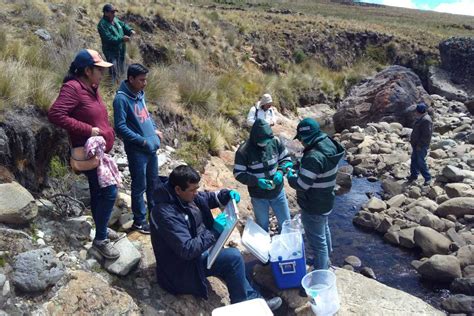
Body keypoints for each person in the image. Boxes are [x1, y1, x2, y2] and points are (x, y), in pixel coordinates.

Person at [150, 165, 282, 311]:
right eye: (192, 190)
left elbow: (207, 198)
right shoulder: (165, 213)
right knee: (233, 257)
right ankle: (246, 304)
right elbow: (186, 250)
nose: (196, 193)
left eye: (196, 188)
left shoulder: (184, 196)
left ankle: (252, 295)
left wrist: (226, 195)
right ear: (178, 190)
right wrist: (214, 232)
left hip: (197, 254)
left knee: (232, 260)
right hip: (181, 270)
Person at [48, 49, 120, 259]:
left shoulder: (92, 87)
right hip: (89, 153)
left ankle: (102, 229)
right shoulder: (72, 88)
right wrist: (88, 130)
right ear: (88, 70)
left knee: (100, 192)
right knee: (109, 191)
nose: (102, 74)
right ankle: (100, 240)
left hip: (99, 153)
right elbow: (55, 114)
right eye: (99, 70)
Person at [286, 118, 344, 270]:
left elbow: (302, 185)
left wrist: (290, 175)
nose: (301, 143)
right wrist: (300, 165)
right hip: (326, 199)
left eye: (301, 139)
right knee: (324, 230)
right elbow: (319, 169)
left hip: (313, 204)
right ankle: (327, 262)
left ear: (306, 137)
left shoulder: (313, 156)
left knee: (318, 244)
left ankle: (320, 274)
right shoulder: (329, 144)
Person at [113, 63, 162, 234]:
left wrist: (154, 129)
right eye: (141, 80)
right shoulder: (121, 99)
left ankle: (155, 218)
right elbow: (120, 127)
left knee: (153, 185)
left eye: (146, 79)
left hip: (151, 149)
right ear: (131, 79)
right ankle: (139, 222)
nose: (145, 83)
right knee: (139, 186)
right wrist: (141, 141)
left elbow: (146, 116)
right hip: (137, 151)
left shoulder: (140, 94)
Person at [233, 118, 292, 232]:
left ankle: (287, 246)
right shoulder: (243, 151)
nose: (265, 143)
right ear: (255, 138)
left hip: (278, 192)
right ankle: (265, 247)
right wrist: (257, 182)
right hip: (258, 196)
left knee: (286, 223)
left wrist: (280, 172)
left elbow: (286, 160)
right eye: (262, 141)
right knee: (262, 225)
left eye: (267, 140)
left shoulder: (275, 142)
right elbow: (238, 173)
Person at [97, 3, 136, 83]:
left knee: (121, 70)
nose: (114, 14)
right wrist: (122, 39)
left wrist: (130, 30)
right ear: (106, 13)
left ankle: (119, 86)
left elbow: (123, 25)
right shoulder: (102, 25)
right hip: (111, 52)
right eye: (112, 12)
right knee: (113, 70)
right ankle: (111, 89)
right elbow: (108, 39)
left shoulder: (115, 20)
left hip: (121, 50)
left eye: (114, 12)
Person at [407, 102, 432, 185]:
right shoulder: (420, 118)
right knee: (414, 160)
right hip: (416, 144)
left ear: (419, 111)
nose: (415, 112)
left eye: (416, 111)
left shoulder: (426, 120)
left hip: (421, 145)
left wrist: (420, 145)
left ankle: (427, 178)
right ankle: (413, 176)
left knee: (421, 161)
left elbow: (426, 135)